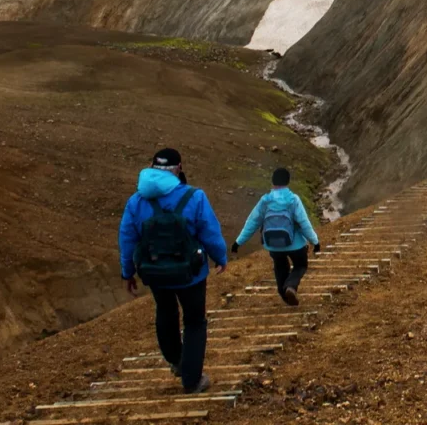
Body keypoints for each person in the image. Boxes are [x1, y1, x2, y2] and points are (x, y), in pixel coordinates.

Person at [119, 148, 228, 395]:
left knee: (165, 313)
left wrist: (127, 273)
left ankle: (177, 361)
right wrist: (220, 258)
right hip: (191, 275)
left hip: (155, 274)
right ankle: (192, 380)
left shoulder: (136, 202)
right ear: (179, 168)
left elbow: (127, 239)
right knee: (195, 322)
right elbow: (209, 231)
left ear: (151, 167)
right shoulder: (194, 197)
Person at [232, 168, 320, 306]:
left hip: (273, 244)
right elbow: (304, 223)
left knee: (280, 266)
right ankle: (290, 286)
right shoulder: (293, 199)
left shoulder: (265, 201)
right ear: (288, 181)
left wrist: (238, 242)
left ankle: (283, 293)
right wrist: (315, 241)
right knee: (300, 265)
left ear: (272, 181)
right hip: (295, 245)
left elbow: (252, 222)